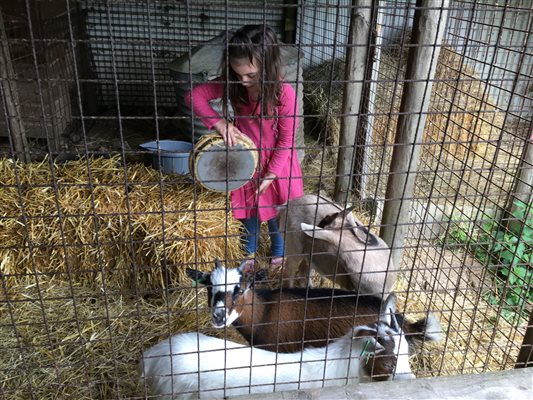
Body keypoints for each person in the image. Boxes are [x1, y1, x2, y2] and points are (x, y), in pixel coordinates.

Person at [185, 24, 304, 270]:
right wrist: (218, 122)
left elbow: (286, 141)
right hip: (245, 160)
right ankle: (247, 255)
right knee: (247, 209)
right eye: (237, 74)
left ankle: (278, 255)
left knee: (277, 212)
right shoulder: (236, 84)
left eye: (250, 75)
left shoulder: (284, 94)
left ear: (268, 66)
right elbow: (193, 96)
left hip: (278, 165)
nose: (243, 81)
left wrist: (270, 175)